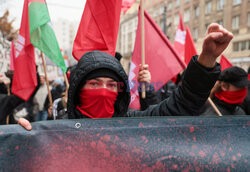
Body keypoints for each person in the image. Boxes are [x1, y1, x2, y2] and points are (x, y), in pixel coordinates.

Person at [18, 23, 233, 130]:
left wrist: (206, 59)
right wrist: (22, 138)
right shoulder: (55, 129)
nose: (104, 91)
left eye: (112, 85)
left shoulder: (132, 124)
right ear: (77, 88)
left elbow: (182, 105)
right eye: (94, 83)